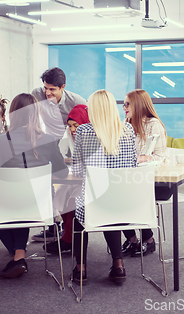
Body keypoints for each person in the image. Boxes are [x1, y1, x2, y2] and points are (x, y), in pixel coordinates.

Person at [0, 93, 68, 279]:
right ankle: (18, 254)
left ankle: (18, 254)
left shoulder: (2, 141)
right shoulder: (49, 139)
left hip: (11, 204)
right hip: (43, 204)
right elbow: (62, 174)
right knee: (24, 200)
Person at [71, 90, 137, 285]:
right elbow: (133, 165)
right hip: (123, 202)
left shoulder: (83, 131)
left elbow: (77, 169)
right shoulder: (127, 130)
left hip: (95, 201)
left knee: (78, 217)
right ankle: (118, 265)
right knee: (110, 209)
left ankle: (81, 268)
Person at [30, 67, 86, 242]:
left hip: (71, 139)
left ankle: (71, 227)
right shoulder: (37, 94)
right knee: (45, 180)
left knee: (67, 181)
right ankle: (52, 225)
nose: (47, 92)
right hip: (47, 140)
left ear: (63, 87)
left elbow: (87, 127)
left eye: (52, 89)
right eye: (45, 88)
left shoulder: (76, 101)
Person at [121, 89, 170, 257]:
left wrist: (140, 159)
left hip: (156, 181)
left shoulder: (153, 124)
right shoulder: (126, 124)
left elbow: (160, 157)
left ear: (139, 105)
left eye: (127, 104)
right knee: (114, 195)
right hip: (131, 177)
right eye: (123, 104)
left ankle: (149, 240)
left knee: (129, 194)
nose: (124, 107)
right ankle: (133, 240)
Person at [45, 104, 89, 254]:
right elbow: (60, 154)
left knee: (70, 197)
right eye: (70, 125)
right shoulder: (69, 133)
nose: (72, 129)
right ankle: (68, 236)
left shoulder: (92, 134)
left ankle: (69, 238)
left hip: (93, 183)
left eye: (75, 125)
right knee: (62, 192)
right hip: (78, 177)